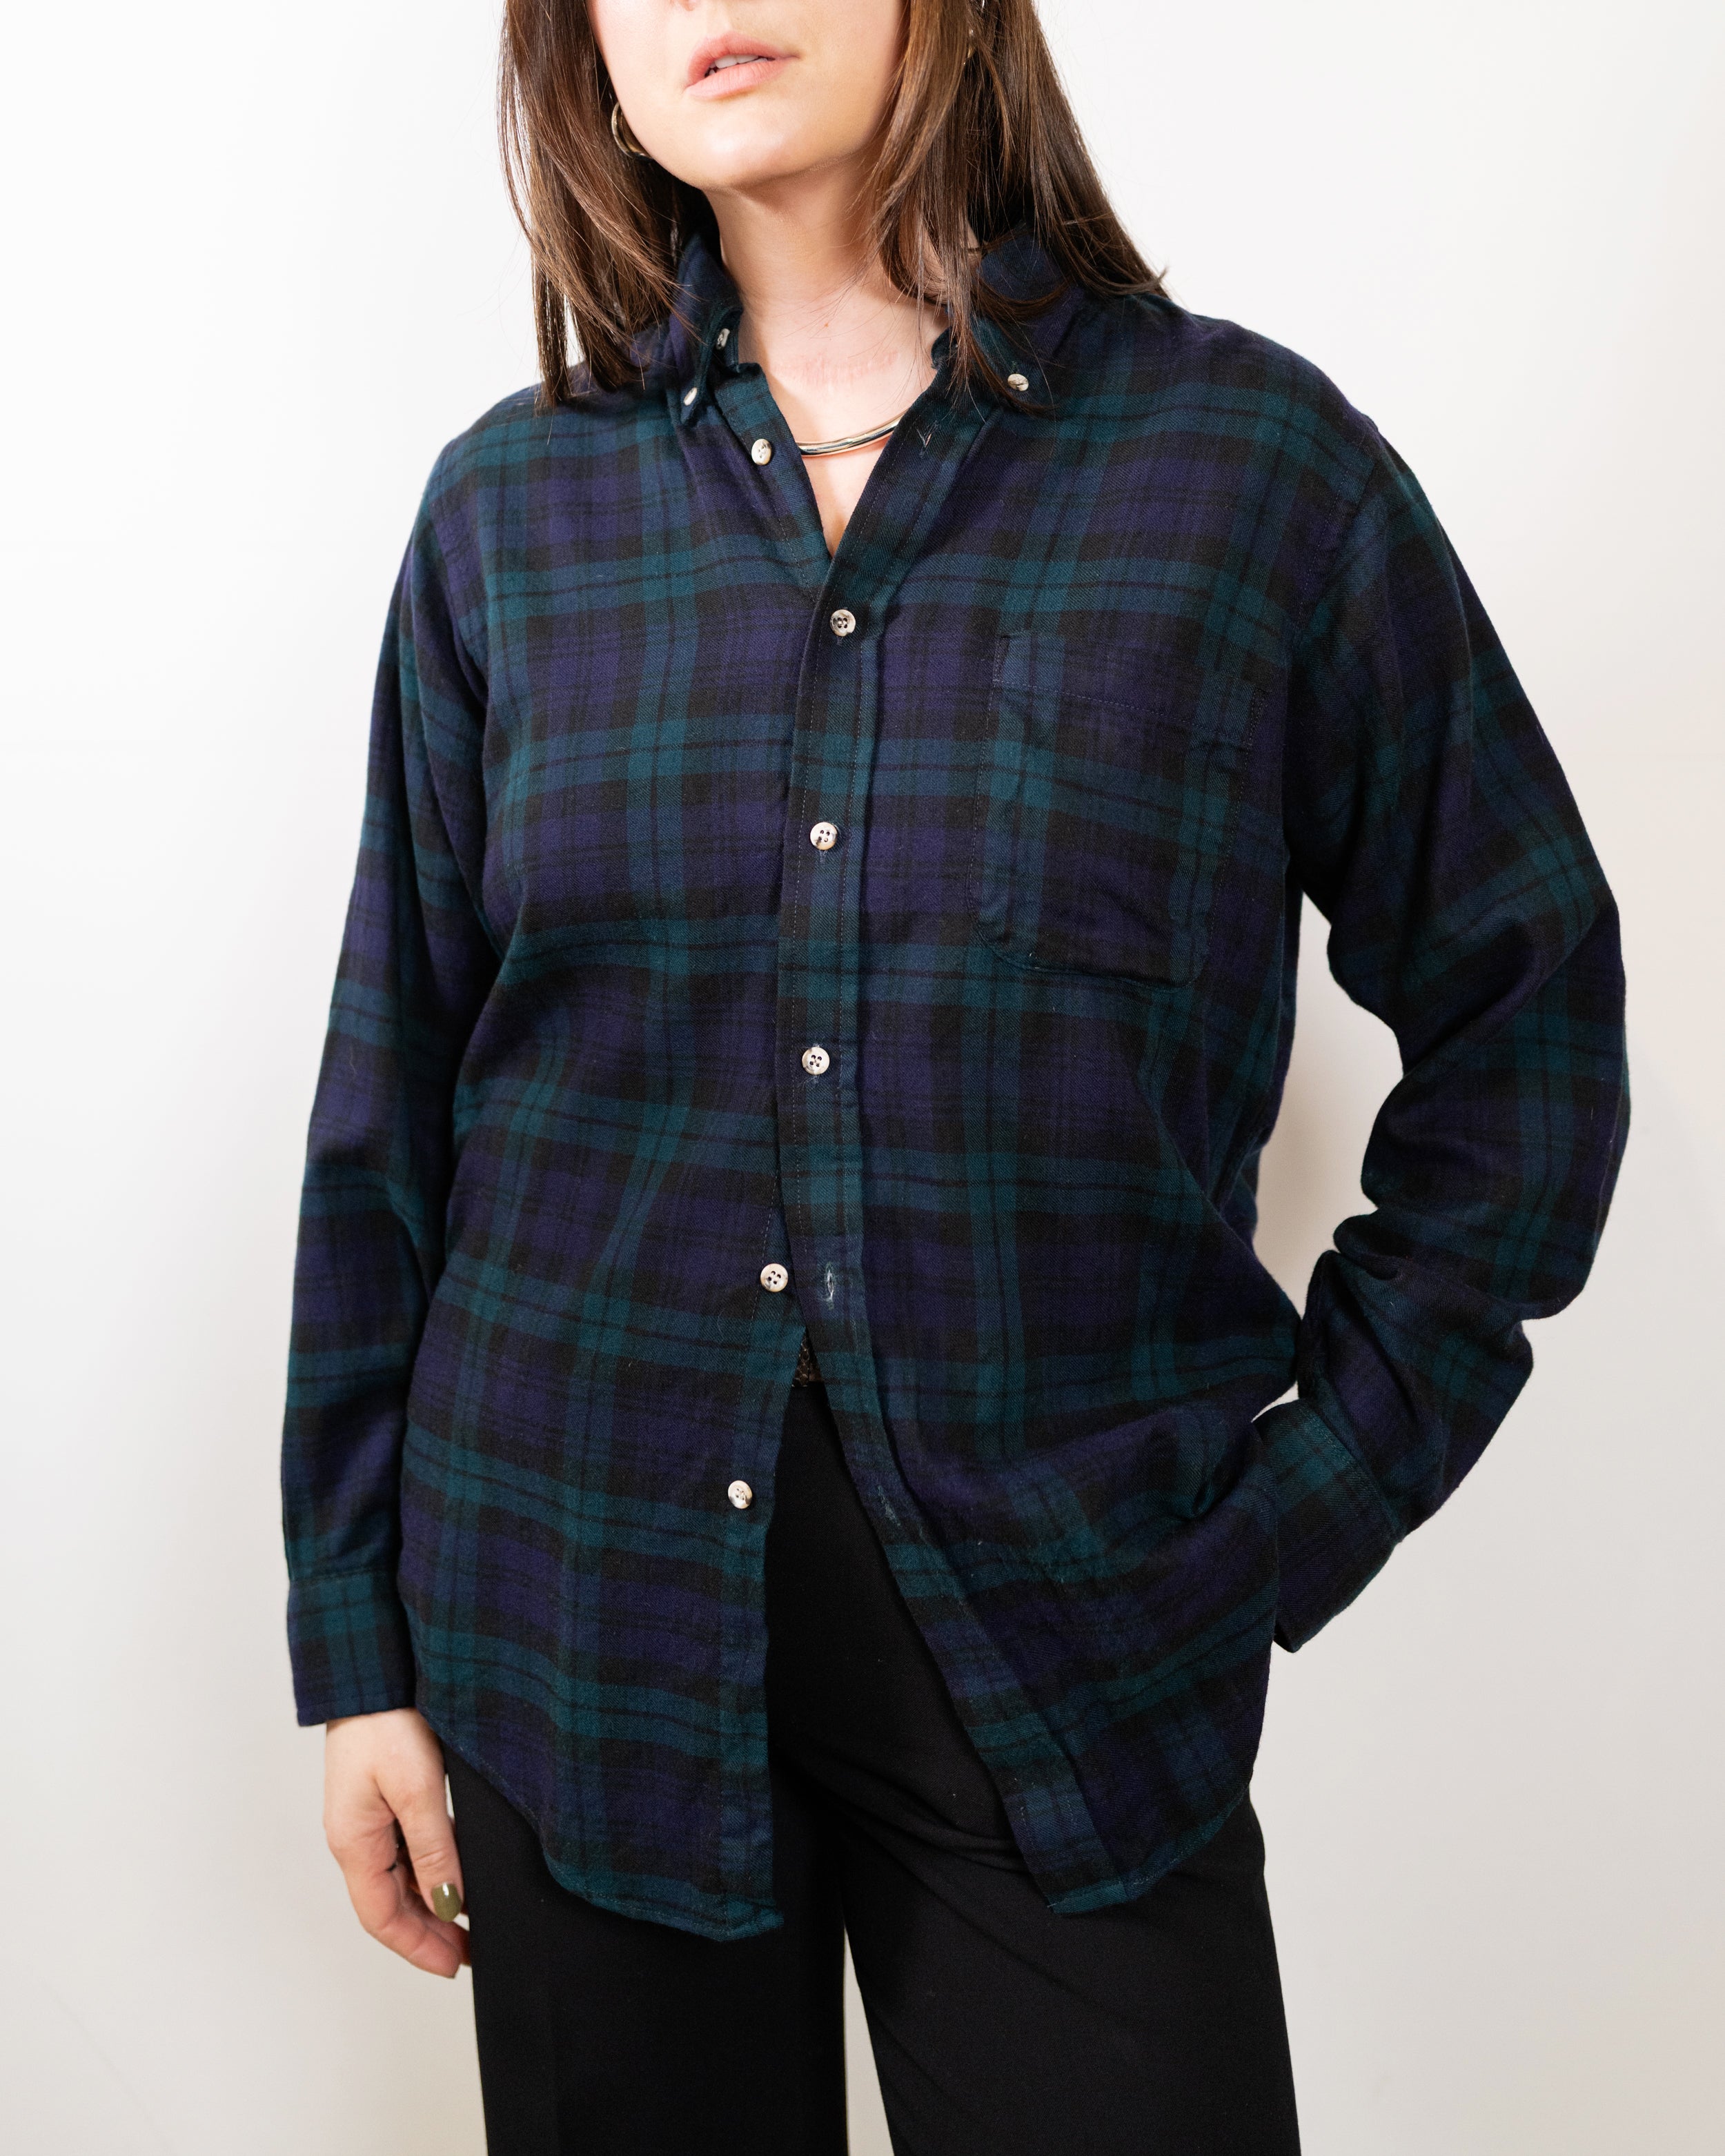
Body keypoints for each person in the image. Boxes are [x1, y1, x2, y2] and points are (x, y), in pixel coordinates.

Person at [282, 3, 1628, 2150]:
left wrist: (1299, 1510)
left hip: (1075, 1647)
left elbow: (1524, 1006)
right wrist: (354, 1643)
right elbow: (395, 1102)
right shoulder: (509, 517)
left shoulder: (1248, 476)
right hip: (568, 1622)